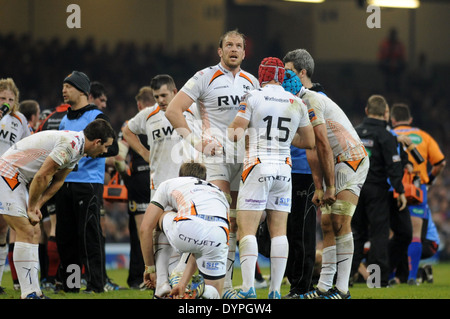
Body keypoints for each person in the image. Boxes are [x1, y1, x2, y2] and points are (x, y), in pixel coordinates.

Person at [165, 29, 260, 298]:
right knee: (217, 218)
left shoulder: (252, 82)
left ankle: (225, 286)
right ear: (220, 51)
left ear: (244, 52)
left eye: (238, 45)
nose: (233, 49)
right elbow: (173, 110)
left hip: (244, 160)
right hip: (216, 158)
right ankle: (183, 274)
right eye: (228, 44)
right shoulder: (205, 76)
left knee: (236, 224)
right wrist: (196, 143)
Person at [227, 57, 315, 299]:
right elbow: (309, 141)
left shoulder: (253, 96)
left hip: (258, 165)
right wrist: (282, 140)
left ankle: (248, 288)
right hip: (284, 169)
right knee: (279, 232)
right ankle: (275, 291)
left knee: (247, 230)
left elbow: (235, 133)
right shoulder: (297, 101)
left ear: (262, 75)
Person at [0, 119, 116, 299]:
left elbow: (59, 180)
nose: (106, 152)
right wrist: (31, 207)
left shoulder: (77, 148)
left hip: (18, 177)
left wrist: (37, 205)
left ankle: (33, 291)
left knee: (33, 230)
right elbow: (42, 176)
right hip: (8, 173)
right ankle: (29, 292)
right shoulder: (70, 145)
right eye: (106, 147)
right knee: (26, 229)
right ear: (97, 142)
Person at [122, 74, 196, 297]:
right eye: (156, 97)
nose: (161, 100)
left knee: (184, 233)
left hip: (186, 183)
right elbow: (127, 130)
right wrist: (144, 152)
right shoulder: (148, 115)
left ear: (175, 92)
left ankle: (177, 280)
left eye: (164, 95)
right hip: (159, 185)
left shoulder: (191, 111)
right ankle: (162, 284)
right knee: (160, 235)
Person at [298, 78, 369, 299]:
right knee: (328, 224)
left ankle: (343, 289)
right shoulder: (296, 105)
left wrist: (328, 187)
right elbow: (311, 149)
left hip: (351, 158)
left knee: (339, 221)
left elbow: (322, 144)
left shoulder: (310, 100)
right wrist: (319, 188)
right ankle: (323, 288)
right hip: (336, 161)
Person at [55, 71, 118, 293]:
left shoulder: (96, 116)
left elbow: (113, 148)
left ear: (82, 90)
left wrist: (87, 154)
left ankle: (96, 285)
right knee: (66, 238)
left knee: (88, 236)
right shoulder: (64, 119)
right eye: (63, 86)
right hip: (65, 183)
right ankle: (71, 284)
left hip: (88, 184)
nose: (64, 90)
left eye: (68, 86)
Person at [140, 162, 230, 299]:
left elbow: (145, 228)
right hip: (219, 234)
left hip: (187, 228)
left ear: (180, 176)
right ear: (204, 179)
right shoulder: (217, 191)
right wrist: (183, 283)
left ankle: (162, 284)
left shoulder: (170, 183)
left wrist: (149, 268)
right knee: (215, 292)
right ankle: (203, 292)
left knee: (160, 216)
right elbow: (199, 244)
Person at [281, 49, 326, 298]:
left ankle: (303, 286)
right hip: (286, 170)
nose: (284, 76)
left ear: (302, 72)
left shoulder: (316, 99)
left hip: (304, 173)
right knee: (286, 230)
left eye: (288, 71)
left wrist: (320, 183)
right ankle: (296, 281)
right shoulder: (290, 98)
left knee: (302, 231)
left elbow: (319, 143)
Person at [351, 95, 407, 287]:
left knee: (356, 233)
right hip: (377, 191)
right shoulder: (386, 136)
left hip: (356, 188)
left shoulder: (354, 132)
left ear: (367, 111)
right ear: (385, 114)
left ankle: (347, 277)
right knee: (378, 234)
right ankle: (376, 280)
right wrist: (399, 191)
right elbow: (394, 167)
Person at [390, 103, 446, 285]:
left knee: (393, 234)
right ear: (411, 120)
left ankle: (391, 277)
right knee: (415, 234)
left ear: (393, 120)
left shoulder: (389, 135)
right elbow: (440, 163)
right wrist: (429, 180)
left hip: (392, 186)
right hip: (416, 186)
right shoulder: (424, 137)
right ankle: (412, 278)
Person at [114, 86, 155, 289]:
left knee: (141, 231)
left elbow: (119, 159)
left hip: (138, 179)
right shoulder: (162, 119)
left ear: (139, 104)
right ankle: (162, 274)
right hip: (159, 178)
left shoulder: (130, 124)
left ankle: (138, 279)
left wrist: (125, 178)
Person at [0, 78, 32, 295]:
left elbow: (28, 147)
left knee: (3, 228)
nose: (7, 102)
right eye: (2, 98)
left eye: (11, 99)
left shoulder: (20, 119)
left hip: (6, 177)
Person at [377, 28, 406, 94]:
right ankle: (387, 92)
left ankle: (397, 92)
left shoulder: (399, 45)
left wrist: (396, 63)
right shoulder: (385, 44)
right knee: (387, 80)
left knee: (397, 80)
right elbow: (381, 56)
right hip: (386, 67)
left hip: (397, 67)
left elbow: (402, 57)